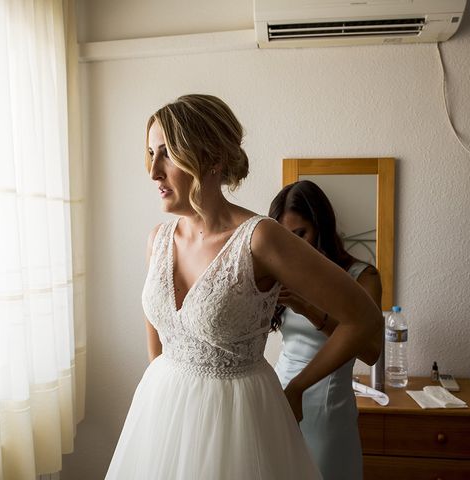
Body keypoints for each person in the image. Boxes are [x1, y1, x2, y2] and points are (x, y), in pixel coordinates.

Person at [105, 94, 383, 479]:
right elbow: (159, 345)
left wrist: (298, 387)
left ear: (213, 158)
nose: (153, 171)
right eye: (150, 153)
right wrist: (163, 407)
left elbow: (364, 319)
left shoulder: (260, 239)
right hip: (160, 415)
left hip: (237, 423)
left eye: (167, 153)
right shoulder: (158, 239)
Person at [269, 180, 383, 480]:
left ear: (321, 227)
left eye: (301, 234)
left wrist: (309, 309)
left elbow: (371, 353)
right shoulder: (281, 272)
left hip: (327, 406)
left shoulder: (362, 277)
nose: (294, 244)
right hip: (280, 394)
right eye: (285, 236)